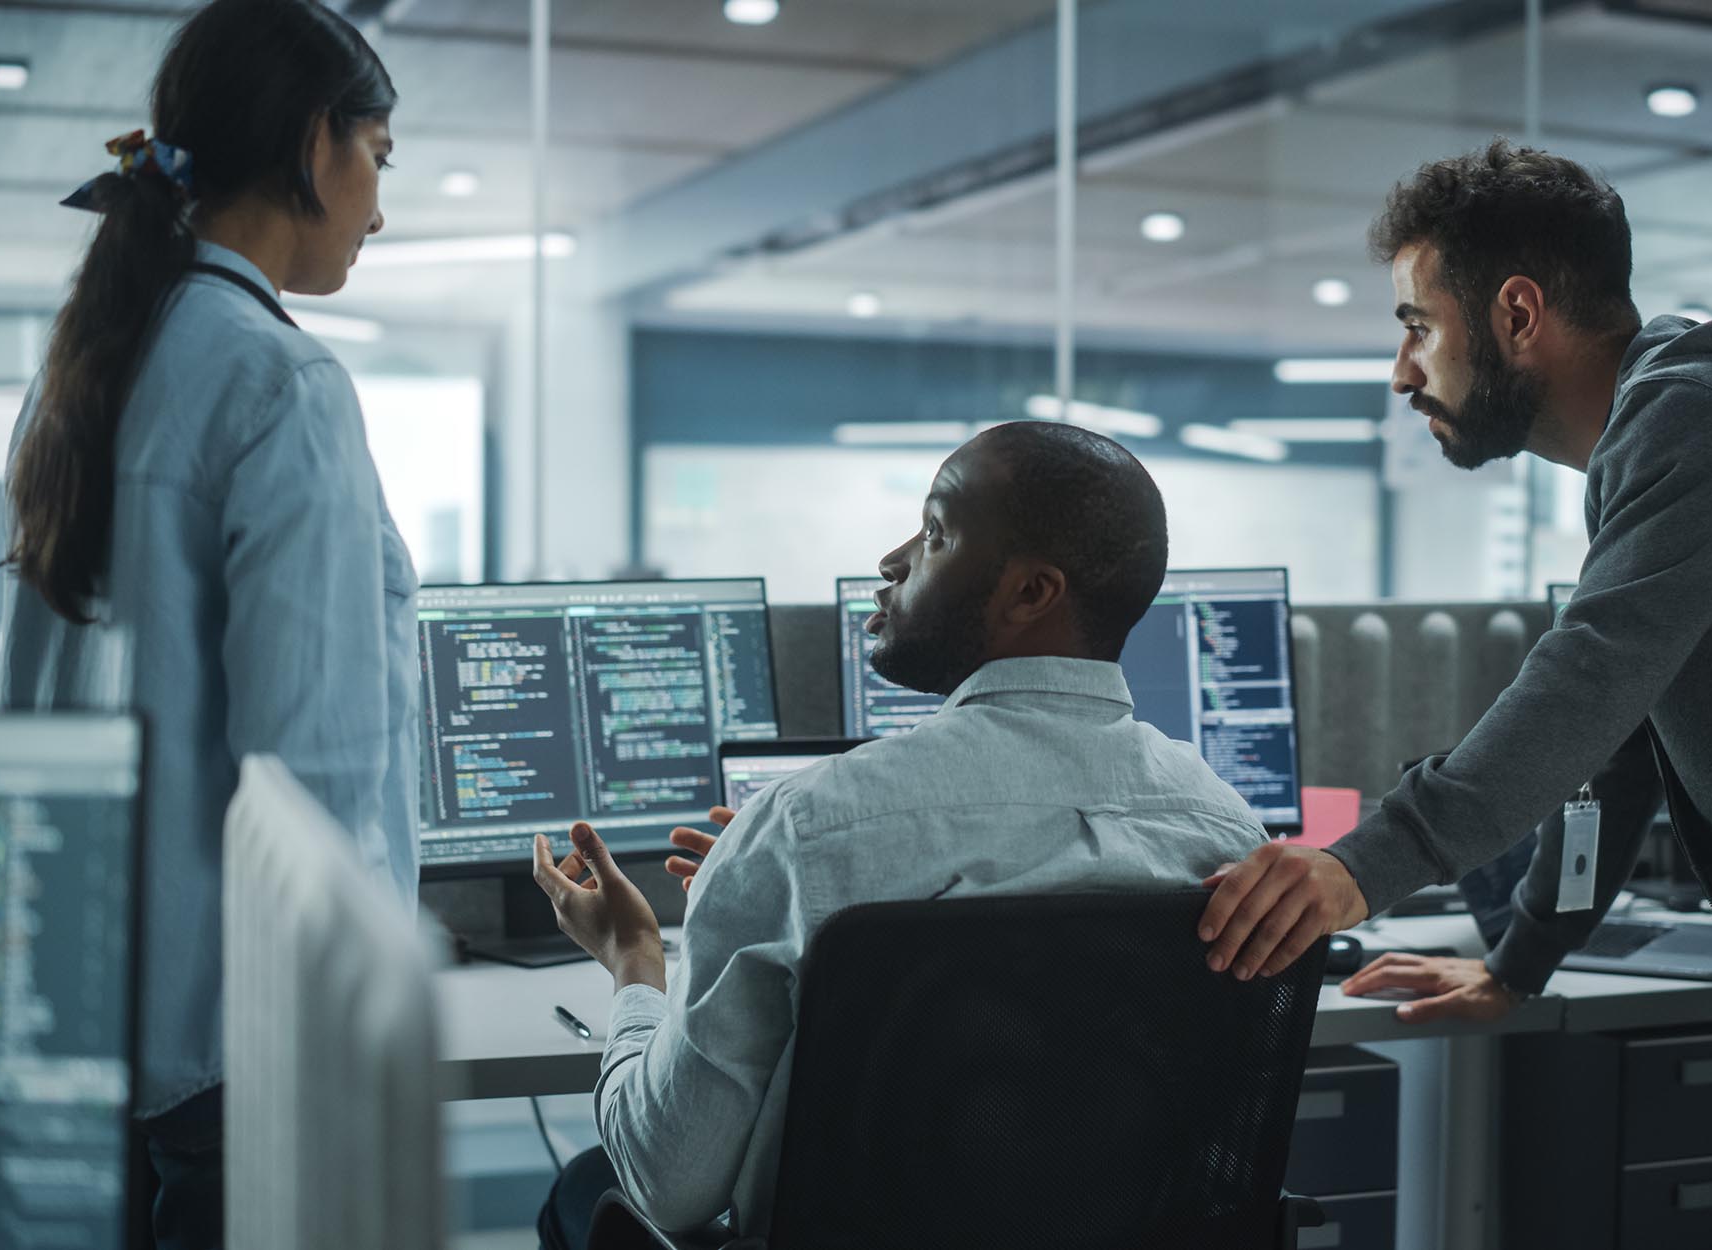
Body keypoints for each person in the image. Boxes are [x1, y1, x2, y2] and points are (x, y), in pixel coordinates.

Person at [1198, 139, 1712, 1246]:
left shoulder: (1709, 420)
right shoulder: (1652, 451)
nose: (1400, 371)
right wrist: (1521, 960)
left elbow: (1581, 683)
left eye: (1416, 324)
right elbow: (1616, 745)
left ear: (1516, 313)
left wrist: (1352, 867)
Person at [527, 421, 1269, 1247]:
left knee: (588, 1186)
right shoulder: (1232, 834)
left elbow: (669, 1184)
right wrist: (751, 894)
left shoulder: (806, 828)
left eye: (937, 532)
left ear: (1032, 593)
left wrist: (638, 962)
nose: (894, 558)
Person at [0, 3, 412, 1245]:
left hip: (93, 1014)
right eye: (377, 157)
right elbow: (312, 771)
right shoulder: (280, 380)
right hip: (239, 1042)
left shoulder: (85, 366)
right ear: (311, 142)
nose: (380, 209)